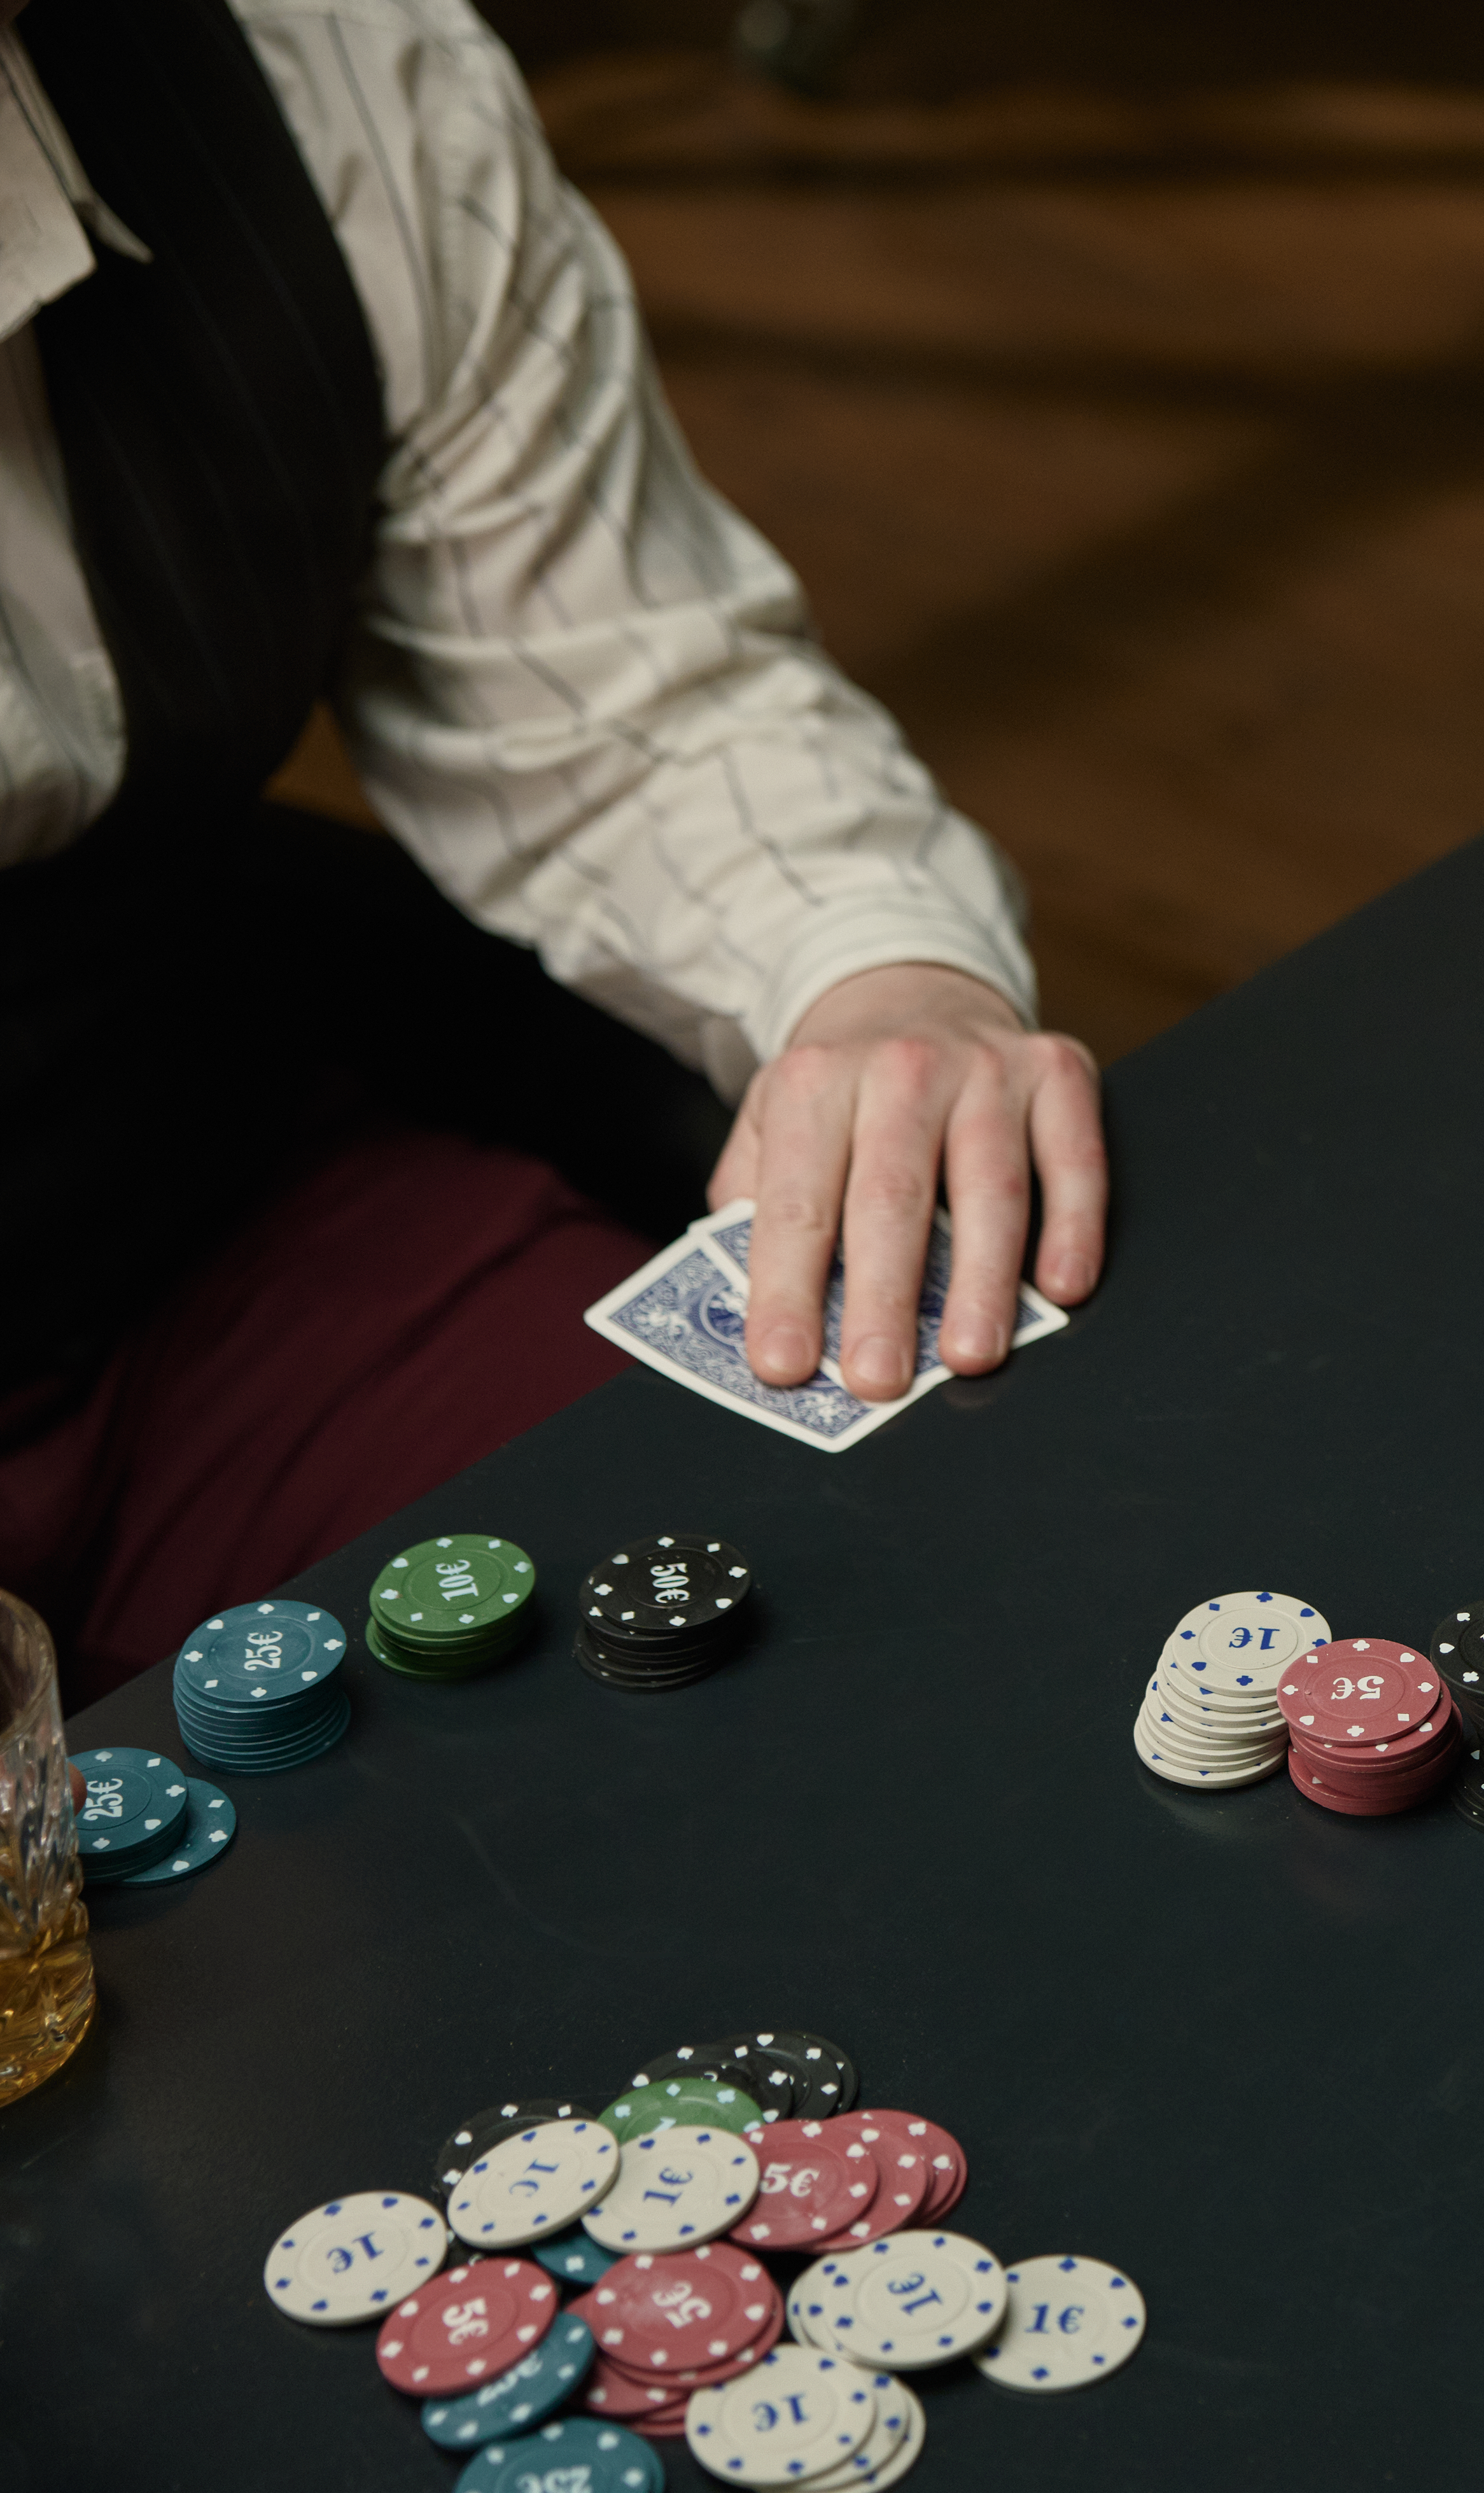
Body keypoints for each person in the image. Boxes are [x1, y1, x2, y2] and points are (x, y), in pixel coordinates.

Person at [0, 0, 1103, 1704]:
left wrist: (888, 977)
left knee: (887, 1641)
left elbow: (629, 719)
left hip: (213, 1236)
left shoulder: (331, 64)